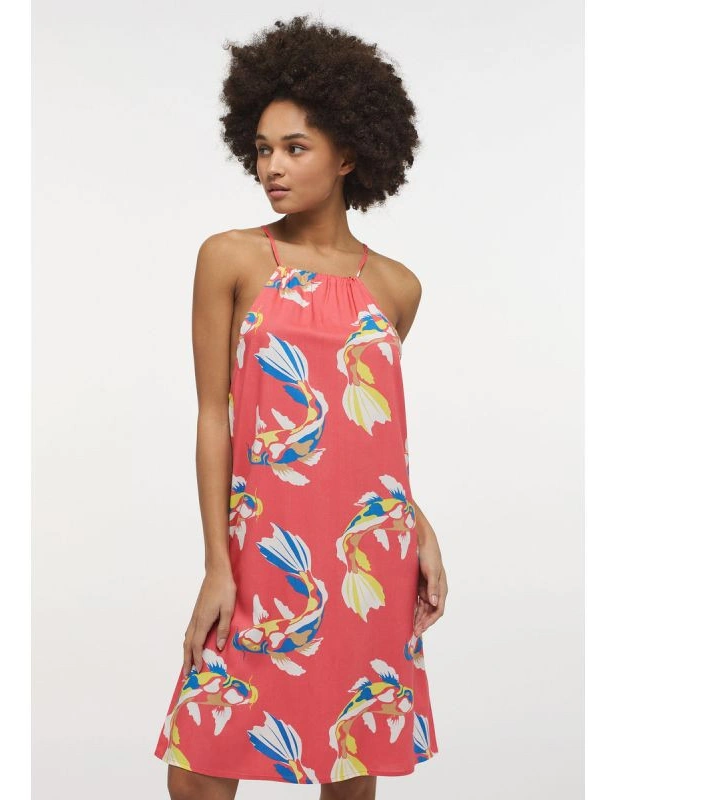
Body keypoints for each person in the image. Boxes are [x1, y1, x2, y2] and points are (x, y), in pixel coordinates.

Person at [153, 15, 448, 800]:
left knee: (350, 764)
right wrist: (219, 566)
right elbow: (213, 417)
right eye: (262, 149)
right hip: (261, 552)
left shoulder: (396, 287)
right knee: (199, 771)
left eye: (294, 148)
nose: (272, 168)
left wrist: (419, 529)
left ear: (348, 154)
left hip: (366, 557)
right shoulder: (233, 258)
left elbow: (366, 436)